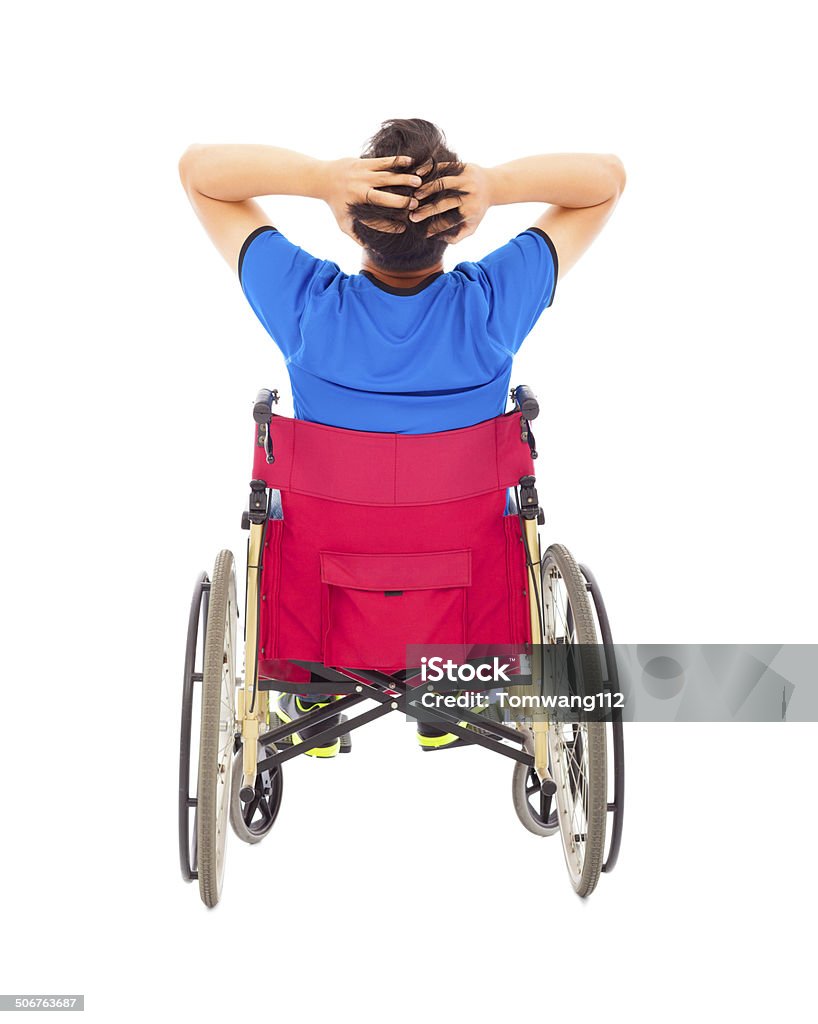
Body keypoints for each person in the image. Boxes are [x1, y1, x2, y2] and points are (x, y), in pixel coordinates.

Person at [179, 117, 625, 754]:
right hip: (462, 587)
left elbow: (199, 172)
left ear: (353, 223)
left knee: (307, 520)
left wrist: (318, 179)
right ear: (456, 224)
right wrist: (495, 185)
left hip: (329, 587)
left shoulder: (307, 307)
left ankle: (316, 691)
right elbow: (607, 180)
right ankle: (446, 690)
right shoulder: (491, 308)